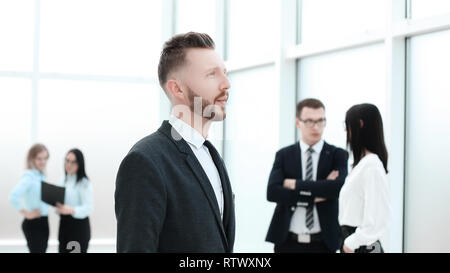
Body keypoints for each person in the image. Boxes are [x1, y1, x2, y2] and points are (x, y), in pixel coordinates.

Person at [115, 32, 235, 253]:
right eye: (211, 75)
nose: (226, 84)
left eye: (225, 73)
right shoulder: (145, 160)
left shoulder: (211, 156)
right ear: (177, 88)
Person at [266, 98, 349, 253]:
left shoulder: (337, 154)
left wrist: (295, 185)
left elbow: (338, 188)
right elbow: (272, 192)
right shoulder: (284, 155)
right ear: (298, 123)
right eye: (310, 121)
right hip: (287, 243)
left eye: (320, 121)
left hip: (323, 244)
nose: (316, 127)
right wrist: (318, 192)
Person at [339, 103, 391, 253]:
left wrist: (353, 242)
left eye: (347, 124)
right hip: (354, 241)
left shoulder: (371, 165)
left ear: (359, 124)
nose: (345, 130)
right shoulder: (363, 164)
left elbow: (379, 214)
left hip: (360, 244)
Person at [9, 143, 50, 253]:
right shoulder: (29, 176)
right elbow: (13, 197)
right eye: (39, 158)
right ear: (32, 159)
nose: (43, 162)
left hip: (43, 222)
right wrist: (26, 213)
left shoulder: (41, 175)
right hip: (34, 224)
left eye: (45, 158)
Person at [56, 148, 93, 253]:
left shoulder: (84, 183)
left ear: (79, 164)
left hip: (78, 228)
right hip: (64, 226)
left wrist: (71, 210)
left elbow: (88, 208)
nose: (69, 164)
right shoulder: (62, 180)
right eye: (67, 161)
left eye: (73, 162)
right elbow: (59, 206)